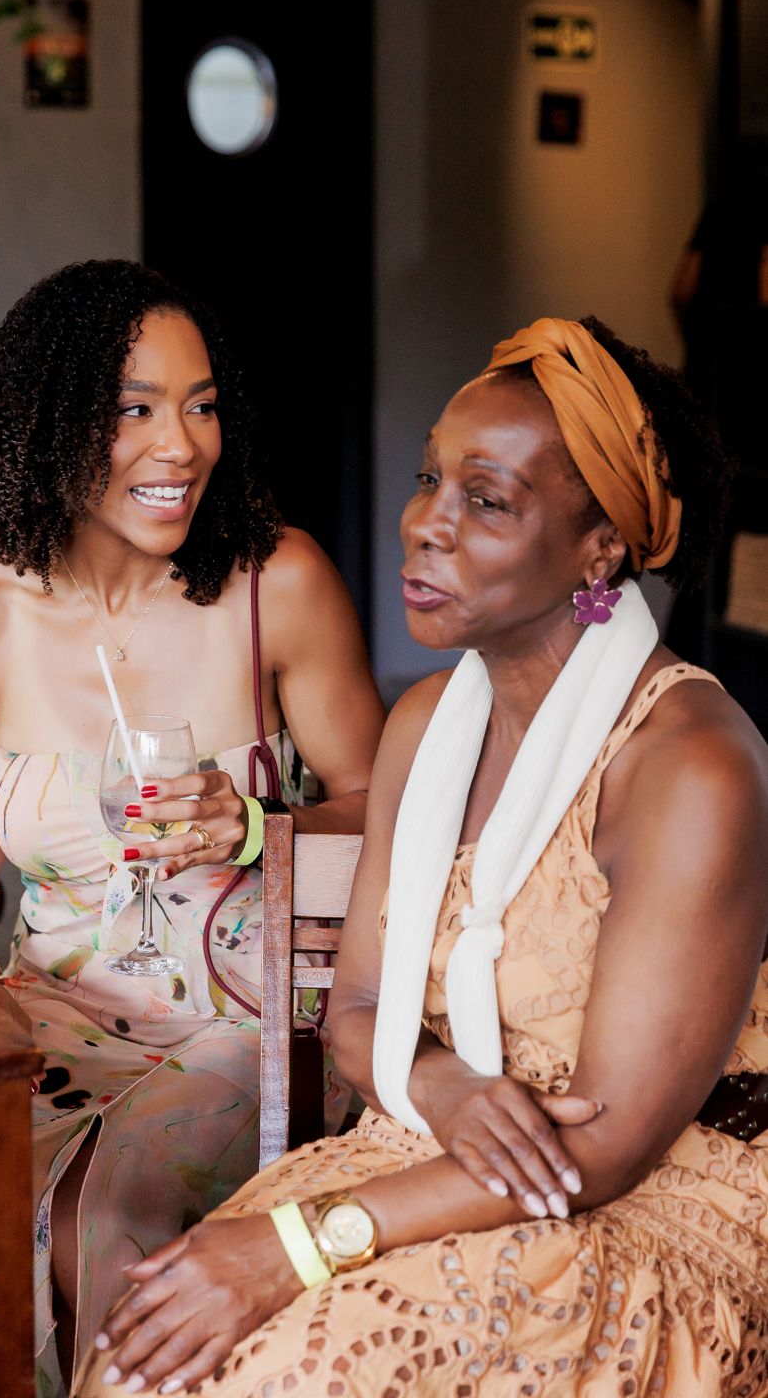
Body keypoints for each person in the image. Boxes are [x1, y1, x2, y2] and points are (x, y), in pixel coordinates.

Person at [79, 315, 768, 1398]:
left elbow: (601, 1151)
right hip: (426, 1146)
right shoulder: (425, 724)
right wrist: (444, 1087)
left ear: (600, 549)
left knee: (275, 1376)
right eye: (427, 480)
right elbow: (356, 1010)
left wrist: (295, 1246)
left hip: (641, 1208)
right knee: (141, 1355)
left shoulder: (690, 764)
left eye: (485, 501)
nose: (424, 526)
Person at [0, 259, 384, 1397]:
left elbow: (384, 813)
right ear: (49, 421)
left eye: (200, 405)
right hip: (46, 1010)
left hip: (247, 1014)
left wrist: (256, 825)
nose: (180, 446)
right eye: (135, 409)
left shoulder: (277, 584)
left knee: (100, 1213)